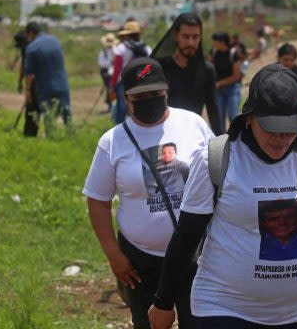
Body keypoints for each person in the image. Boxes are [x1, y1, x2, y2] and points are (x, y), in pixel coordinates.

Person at [148, 64, 297, 329]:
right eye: (272, 128)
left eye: (290, 128)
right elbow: (186, 236)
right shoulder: (217, 159)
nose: (282, 138)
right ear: (249, 117)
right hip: (225, 309)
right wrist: (164, 302)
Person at [83, 57, 214, 329]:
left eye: (155, 93)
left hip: (194, 254)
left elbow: (218, 175)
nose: (149, 100)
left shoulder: (193, 124)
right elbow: (98, 201)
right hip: (139, 261)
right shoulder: (112, 141)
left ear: (166, 90)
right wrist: (114, 256)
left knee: (201, 323)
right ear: (127, 98)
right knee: (148, 324)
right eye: (140, 95)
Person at [151, 13, 223, 135]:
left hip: (192, 137)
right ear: (175, 36)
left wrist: (222, 141)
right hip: (162, 137)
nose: (190, 42)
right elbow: (139, 75)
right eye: (185, 37)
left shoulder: (207, 70)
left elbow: (213, 109)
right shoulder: (159, 67)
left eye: (195, 37)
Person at [23, 22, 71, 135]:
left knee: (49, 116)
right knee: (67, 114)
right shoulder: (55, 41)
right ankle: (72, 135)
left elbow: (29, 75)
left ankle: (52, 138)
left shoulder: (31, 48)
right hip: (62, 84)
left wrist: (28, 93)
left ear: (30, 33)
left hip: (45, 87)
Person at [109, 20, 152, 124]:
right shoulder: (146, 48)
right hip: (142, 82)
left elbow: (117, 69)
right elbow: (150, 67)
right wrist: (140, 77)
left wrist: (112, 85)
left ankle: (119, 129)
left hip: (123, 82)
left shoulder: (121, 48)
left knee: (122, 107)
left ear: (127, 34)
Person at [212, 31, 241, 131]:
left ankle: (236, 139)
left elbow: (236, 76)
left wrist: (220, 83)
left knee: (233, 116)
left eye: (215, 41)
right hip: (219, 90)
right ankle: (222, 141)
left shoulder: (233, 54)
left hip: (232, 89)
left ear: (222, 42)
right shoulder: (214, 53)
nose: (214, 44)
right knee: (219, 117)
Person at [99, 33, 118, 113]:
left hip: (115, 71)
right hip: (106, 72)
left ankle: (114, 105)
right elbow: (101, 63)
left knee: (115, 89)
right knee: (109, 89)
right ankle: (110, 106)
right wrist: (111, 62)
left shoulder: (116, 50)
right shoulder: (103, 52)